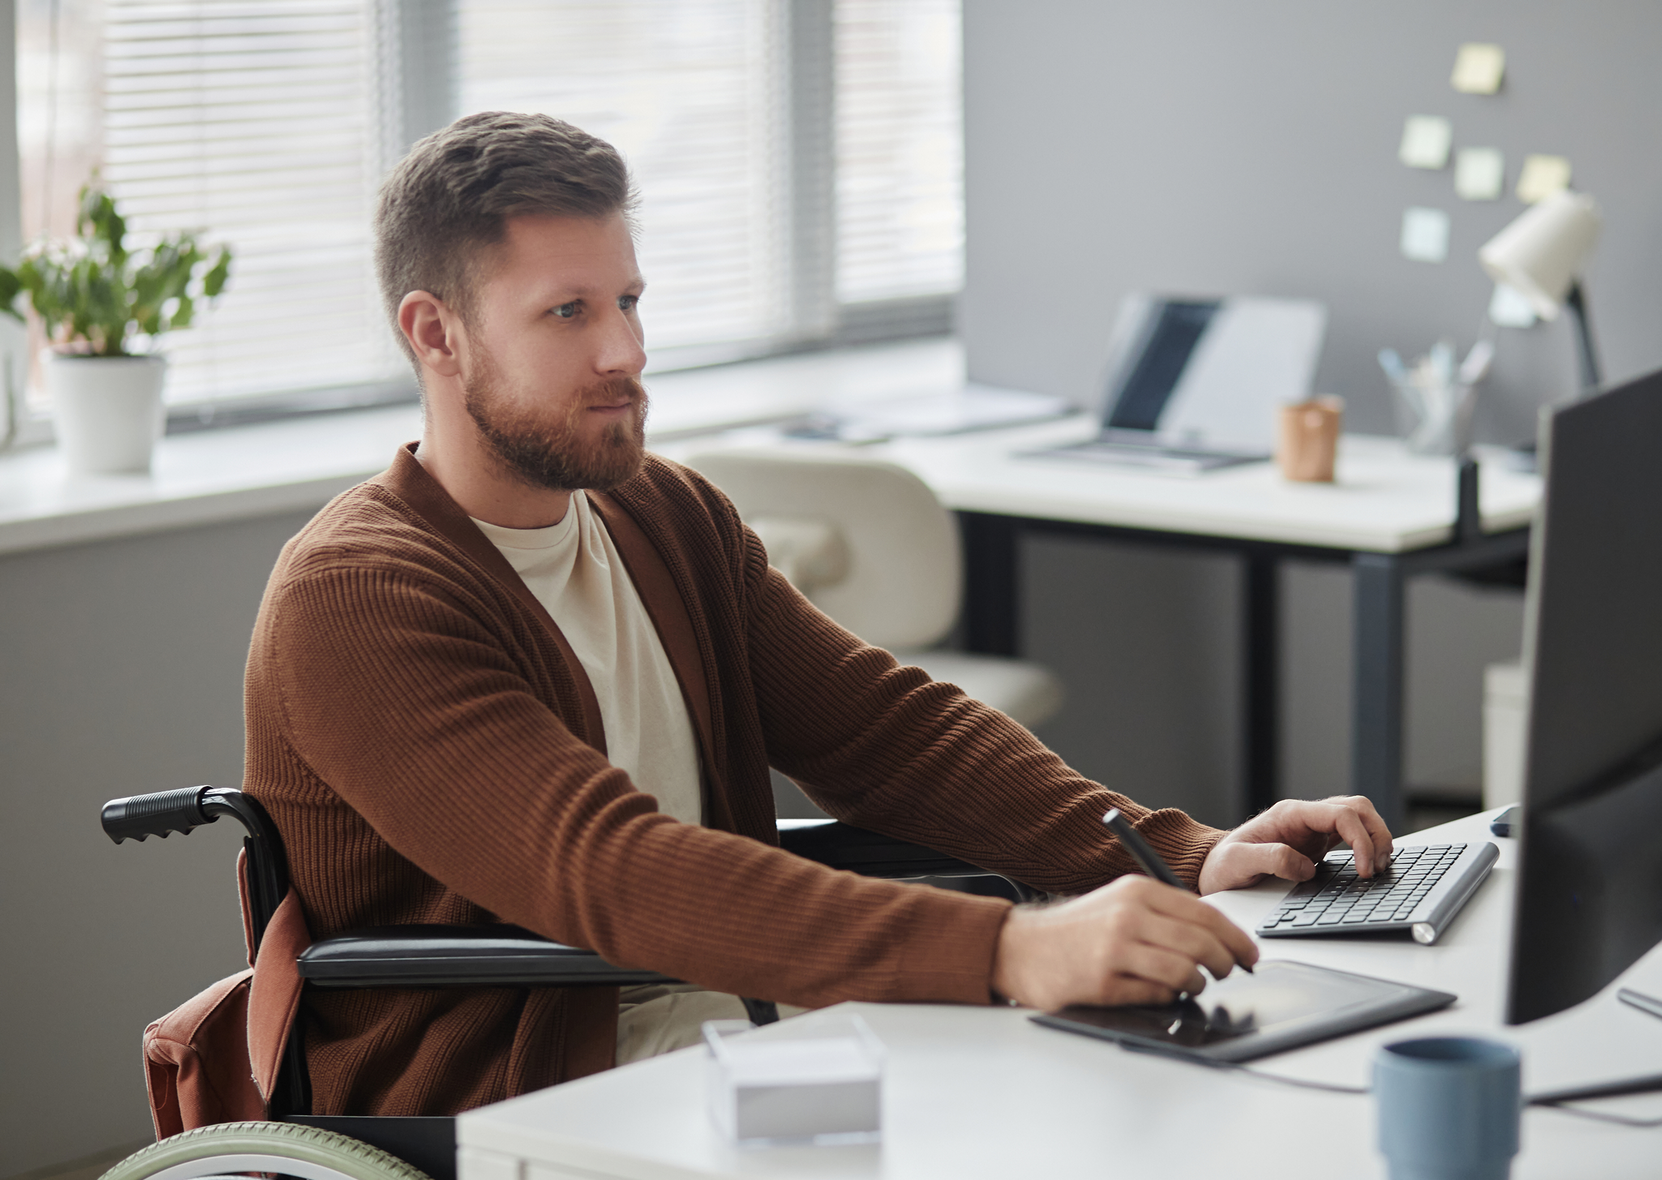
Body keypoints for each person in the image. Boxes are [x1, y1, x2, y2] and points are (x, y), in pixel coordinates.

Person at [243, 111, 1391, 1117]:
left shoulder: (663, 513)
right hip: (524, 1085)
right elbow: (610, 868)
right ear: (435, 334)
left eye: (631, 300)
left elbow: (890, 733)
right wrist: (1010, 946)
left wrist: (1189, 853)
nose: (627, 353)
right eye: (568, 312)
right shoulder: (359, 598)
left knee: (1133, 1075)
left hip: (726, 1014)